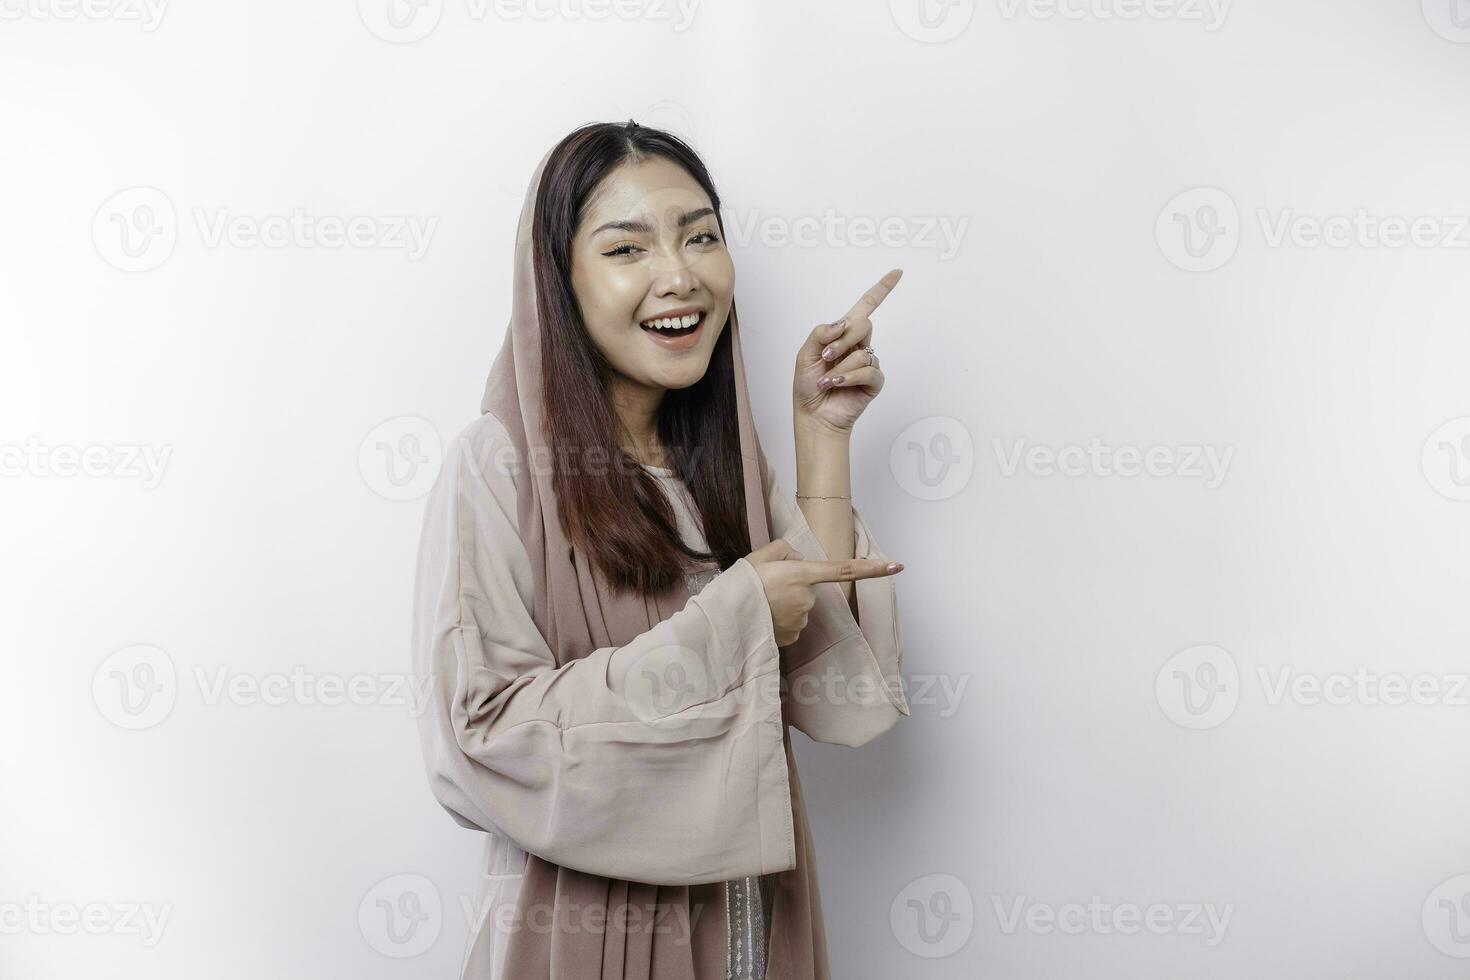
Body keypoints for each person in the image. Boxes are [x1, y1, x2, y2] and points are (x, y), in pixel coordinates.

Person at [411, 120, 911, 980]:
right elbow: (481, 738)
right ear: (558, 283)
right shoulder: (498, 467)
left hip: (756, 929)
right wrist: (732, 620)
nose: (678, 276)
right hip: (589, 938)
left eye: (700, 236)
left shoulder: (718, 465)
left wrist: (821, 435)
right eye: (626, 249)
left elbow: (828, 696)